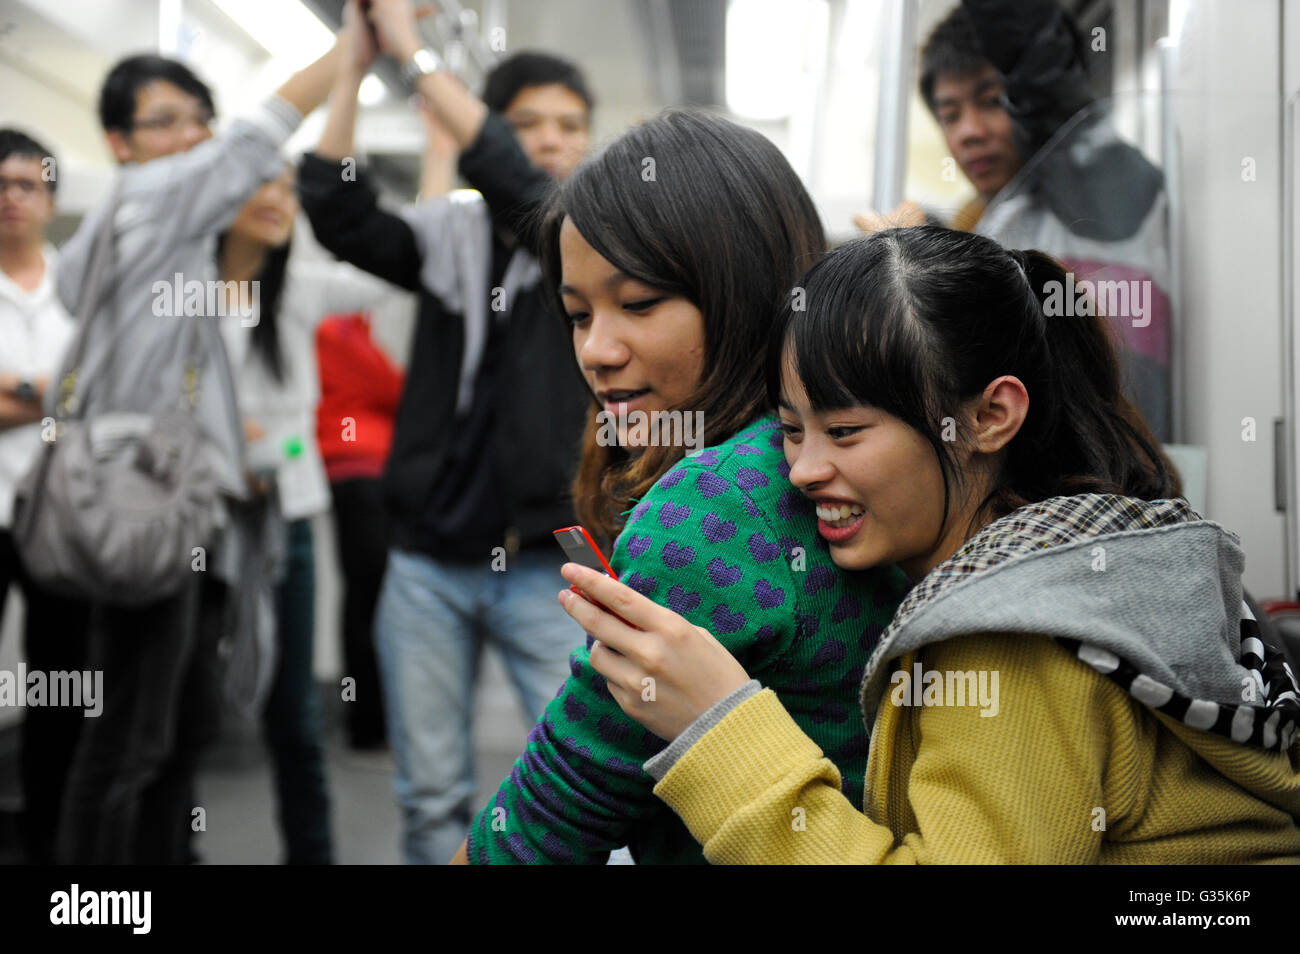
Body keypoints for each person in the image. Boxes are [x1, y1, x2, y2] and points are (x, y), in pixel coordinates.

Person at [558, 225, 1300, 864]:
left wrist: (714, 723)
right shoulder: (1086, 558)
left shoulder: (1015, 633)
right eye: (790, 430)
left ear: (989, 416)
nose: (805, 470)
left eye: (845, 432)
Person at [449, 108, 910, 865]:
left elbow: (543, 824)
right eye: (575, 314)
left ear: (744, 289)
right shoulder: (843, 447)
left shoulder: (718, 502)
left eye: (638, 304)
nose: (597, 350)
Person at [297, 0, 594, 864]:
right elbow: (336, 209)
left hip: (549, 567)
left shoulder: (591, 238)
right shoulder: (449, 234)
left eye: (568, 125)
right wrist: (355, 66)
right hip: (427, 558)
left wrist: (415, 52)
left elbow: (518, 183)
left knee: (578, 792)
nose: (548, 140)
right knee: (430, 799)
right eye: (526, 123)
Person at [50, 36, 347, 865]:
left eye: (198, 120)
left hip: (193, 513)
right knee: (131, 740)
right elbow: (259, 135)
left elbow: (74, 292)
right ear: (121, 144)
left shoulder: (144, 233)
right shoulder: (154, 204)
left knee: (174, 731)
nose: (193, 138)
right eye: (166, 121)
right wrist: (357, 37)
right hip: (151, 507)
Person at [859, 0, 1172, 440]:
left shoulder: (1102, 191)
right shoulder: (984, 226)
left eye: (992, 101)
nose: (970, 131)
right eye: (950, 114)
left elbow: (1040, 74)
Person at [216, 163, 400, 863]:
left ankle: (311, 855)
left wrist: (442, 160)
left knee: (294, 719)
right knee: (172, 713)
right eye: (256, 183)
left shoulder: (294, 290)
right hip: (189, 527)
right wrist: (219, 443)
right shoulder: (176, 294)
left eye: (286, 188)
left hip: (283, 519)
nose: (275, 198)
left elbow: (392, 272)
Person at [0, 128, 92, 865]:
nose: (11, 198)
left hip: (64, 518)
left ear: (51, 198)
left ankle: (50, 841)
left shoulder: (80, 290)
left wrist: (20, 392)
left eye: (26, 184)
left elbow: (94, 394)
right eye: (0, 184)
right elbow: (68, 393)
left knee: (59, 680)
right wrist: (52, 394)